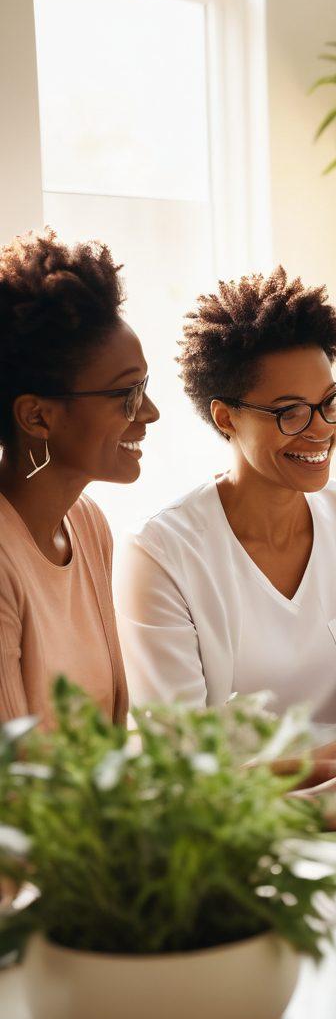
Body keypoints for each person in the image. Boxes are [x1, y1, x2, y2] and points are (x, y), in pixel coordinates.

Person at [115, 268, 336, 825]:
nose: (321, 429)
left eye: (330, 402)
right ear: (225, 417)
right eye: (290, 411)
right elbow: (179, 768)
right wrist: (322, 769)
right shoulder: (161, 553)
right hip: (254, 831)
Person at [0, 229, 159, 725]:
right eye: (126, 395)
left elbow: (111, 764)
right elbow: (16, 794)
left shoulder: (88, 526)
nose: (150, 413)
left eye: (145, 387)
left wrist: (314, 771)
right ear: (37, 417)